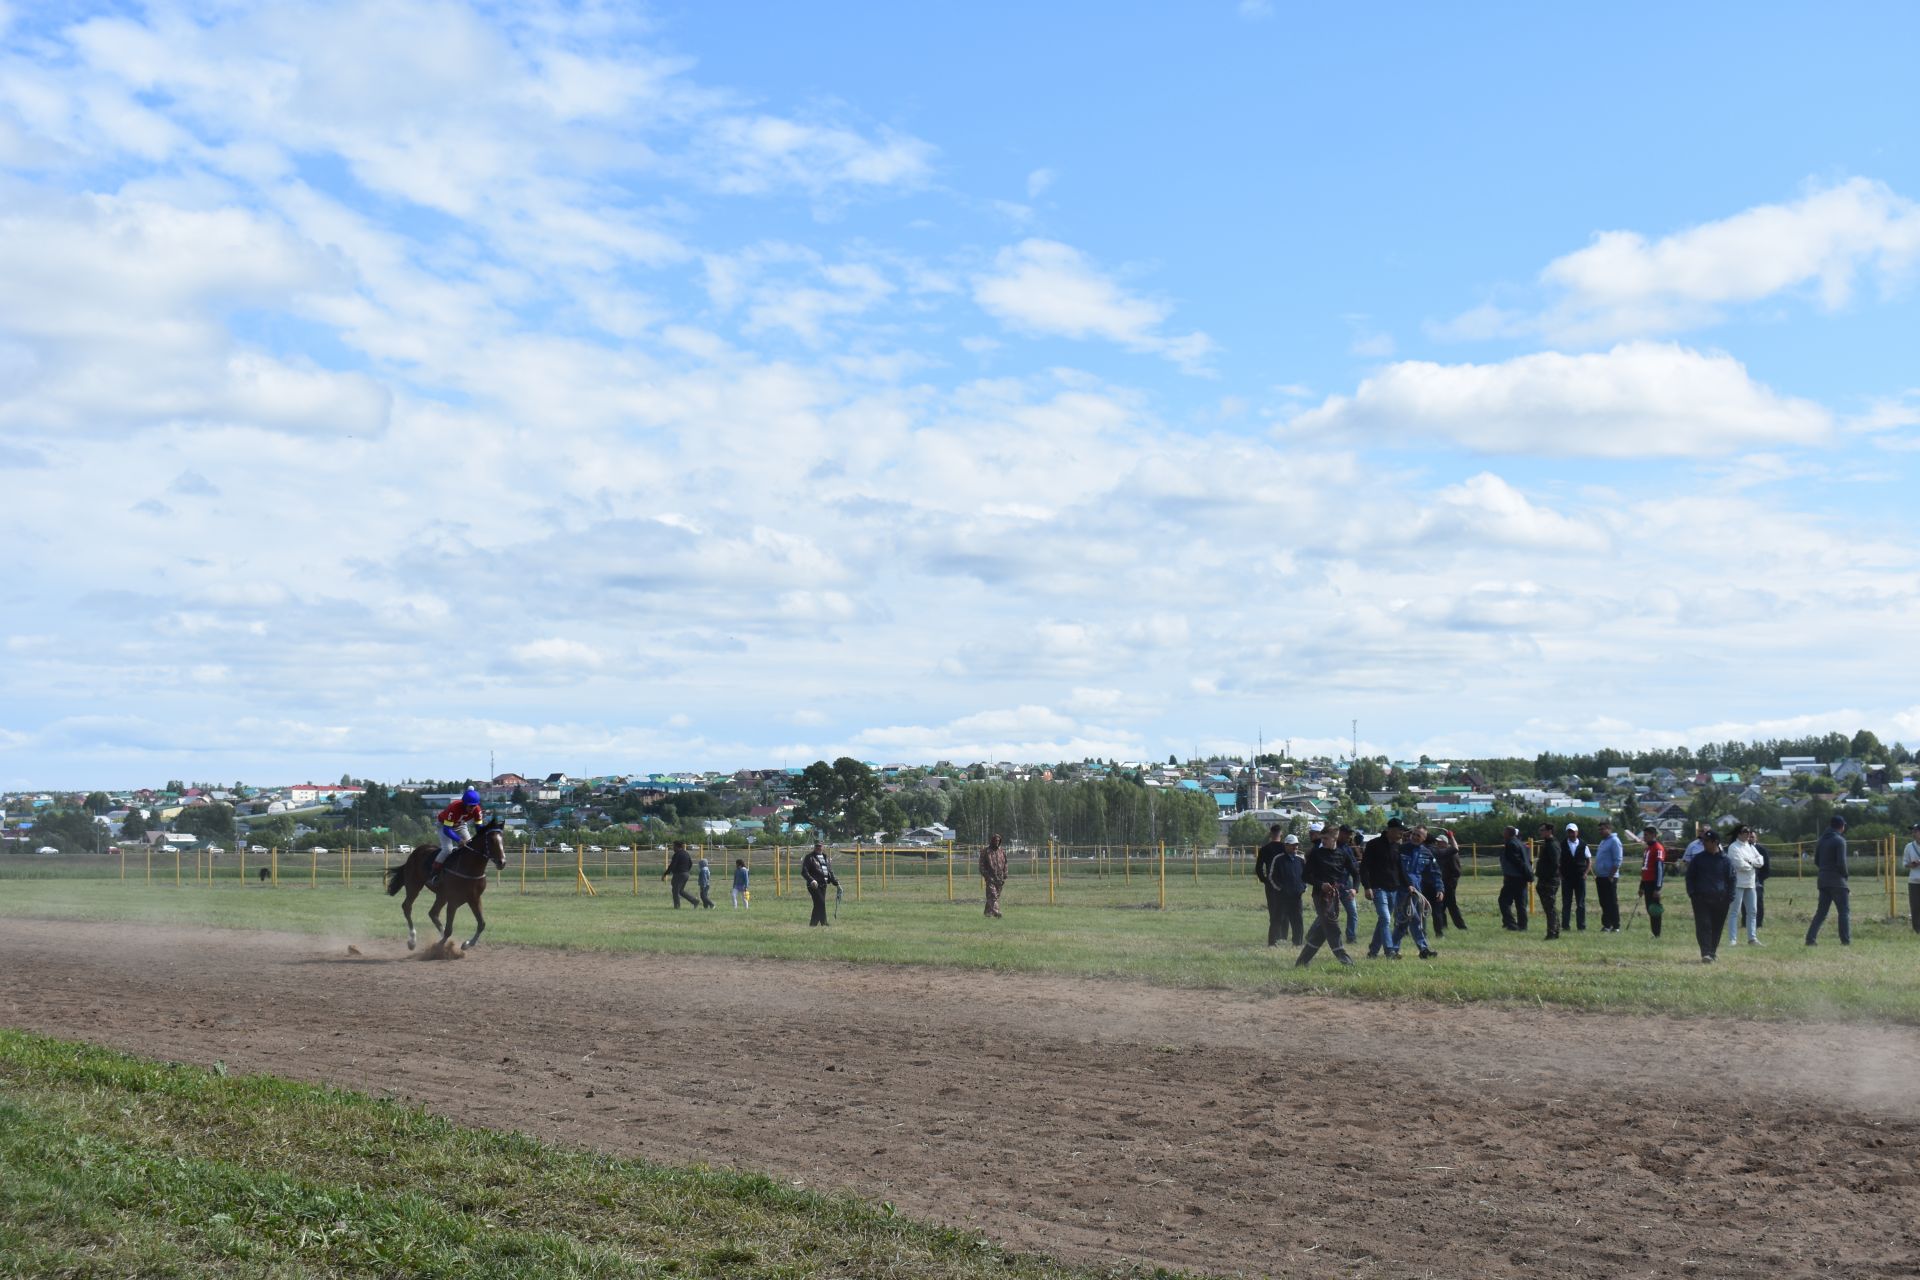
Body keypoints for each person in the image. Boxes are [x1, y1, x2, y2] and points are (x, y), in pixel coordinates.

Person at [1294, 825, 1357, 968]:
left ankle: (1301, 962)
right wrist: (1321, 884)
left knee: (1322, 931)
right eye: (1322, 839)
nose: (1323, 841)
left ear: (1335, 838)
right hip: (1320, 895)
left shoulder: (1343, 853)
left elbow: (1355, 873)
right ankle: (1346, 962)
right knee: (1332, 927)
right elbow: (1305, 876)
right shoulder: (1317, 854)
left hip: (1335, 896)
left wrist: (1354, 889)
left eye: (1326, 839)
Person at [1685, 827, 1735, 963]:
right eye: (1703, 840)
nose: (1704, 843)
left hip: (1721, 900)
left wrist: (1730, 897)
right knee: (1703, 925)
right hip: (1701, 899)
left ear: (1715, 842)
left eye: (1707, 841)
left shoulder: (1726, 860)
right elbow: (1689, 877)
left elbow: (1731, 879)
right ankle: (1705, 953)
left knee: (1716, 927)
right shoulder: (1698, 859)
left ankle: (1712, 952)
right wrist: (1692, 893)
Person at [1362, 818, 1409, 958]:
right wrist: (1367, 887)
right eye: (1400, 830)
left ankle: (1373, 952)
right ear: (1391, 830)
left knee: (1383, 920)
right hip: (1378, 888)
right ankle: (1390, 950)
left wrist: (1409, 885)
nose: (1402, 833)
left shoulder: (1397, 847)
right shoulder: (1373, 845)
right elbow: (1364, 867)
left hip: (1393, 889)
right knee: (1385, 918)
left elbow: (1400, 869)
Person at [1392, 826, 1440, 959]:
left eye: (1418, 835)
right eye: (1414, 834)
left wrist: (1440, 888)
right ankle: (1423, 949)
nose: (1415, 837)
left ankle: (1392, 950)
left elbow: (1435, 873)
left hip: (1416, 892)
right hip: (1402, 890)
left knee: (1404, 921)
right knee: (1413, 918)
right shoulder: (1401, 850)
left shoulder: (1427, 853)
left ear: (1424, 838)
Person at [1805, 815, 1851, 947]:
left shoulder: (1821, 840)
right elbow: (1841, 863)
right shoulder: (1839, 841)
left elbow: (1816, 861)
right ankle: (1845, 941)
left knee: (1821, 912)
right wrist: (1845, 875)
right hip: (1837, 881)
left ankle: (1810, 939)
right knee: (1843, 912)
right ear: (1841, 827)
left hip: (1823, 879)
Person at [429, 786, 485, 884]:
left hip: (460, 824)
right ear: (464, 804)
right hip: (444, 825)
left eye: (475, 806)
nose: (472, 808)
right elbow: (447, 830)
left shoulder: (477, 810)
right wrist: (459, 840)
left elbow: (479, 827)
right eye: (470, 806)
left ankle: (465, 873)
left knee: (470, 847)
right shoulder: (454, 808)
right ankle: (434, 873)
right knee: (448, 849)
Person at [1725, 826, 1764, 946]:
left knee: (1752, 911)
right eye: (1745, 832)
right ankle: (1733, 939)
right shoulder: (1733, 847)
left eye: (1749, 832)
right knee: (1734, 912)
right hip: (1737, 883)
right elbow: (1739, 864)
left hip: (1751, 883)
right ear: (1738, 834)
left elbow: (1761, 861)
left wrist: (1750, 862)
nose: (1748, 834)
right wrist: (1752, 864)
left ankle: (1752, 938)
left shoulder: (1750, 846)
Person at [1254, 825, 1291, 947]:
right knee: (1285, 911)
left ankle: (1274, 938)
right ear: (1281, 834)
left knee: (1273, 910)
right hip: (1284, 883)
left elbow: (1259, 868)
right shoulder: (1284, 848)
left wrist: (1264, 880)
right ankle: (1283, 937)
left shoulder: (1264, 849)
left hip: (1270, 883)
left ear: (1271, 834)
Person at [1430, 828, 1467, 935]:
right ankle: (1443, 926)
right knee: (1441, 907)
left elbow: (1456, 871)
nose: (1437, 843)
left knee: (1452, 906)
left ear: (1445, 843)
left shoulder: (1451, 854)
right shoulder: (1441, 853)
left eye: (1439, 842)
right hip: (1443, 884)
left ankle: (1461, 926)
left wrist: (1451, 884)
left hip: (1449, 884)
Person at [1497, 825, 1533, 930]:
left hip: (1514, 877)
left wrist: (1520, 872)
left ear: (1508, 833)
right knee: (1520, 903)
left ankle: (1511, 924)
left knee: (1503, 901)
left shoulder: (1511, 844)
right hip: (1522, 878)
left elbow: (1516, 861)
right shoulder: (1521, 844)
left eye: (1504, 832)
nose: (1503, 834)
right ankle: (1523, 926)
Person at [1635, 825, 1669, 938]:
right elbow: (1644, 869)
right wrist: (1641, 886)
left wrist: (1658, 888)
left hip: (1653, 883)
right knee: (1649, 908)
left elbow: (1659, 868)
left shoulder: (1658, 848)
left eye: (1647, 835)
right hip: (1646, 882)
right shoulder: (1647, 849)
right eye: (1644, 835)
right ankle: (1654, 932)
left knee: (1654, 909)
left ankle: (1657, 933)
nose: (1644, 837)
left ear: (1654, 835)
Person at [1591, 820, 1624, 932]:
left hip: (1609, 877)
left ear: (1609, 829)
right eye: (1599, 829)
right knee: (1603, 901)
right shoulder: (1603, 842)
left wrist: (1611, 875)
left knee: (1612, 901)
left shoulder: (1614, 841)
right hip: (1600, 876)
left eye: (1602, 829)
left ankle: (1616, 925)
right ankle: (1606, 925)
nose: (1600, 831)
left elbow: (1618, 860)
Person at [1532, 823, 1562, 940]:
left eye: (1542, 830)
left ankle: (1552, 932)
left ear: (1549, 831)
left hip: (1549, 880)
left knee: (1550, 908)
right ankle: (1554, 930)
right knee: (1549, 907)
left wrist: (1546, 875)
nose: (1541, 832)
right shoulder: (1549, 844)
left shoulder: (1552, 845)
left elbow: (1556, 863)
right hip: (1545, 880)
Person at [1559, 822, 1589, 932]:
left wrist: (1586, 873)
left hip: (1580, 877)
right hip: (1566, 878)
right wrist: (1560, 874)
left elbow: (1589, 860)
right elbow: (1558, 861)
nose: (1571, 834)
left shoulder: (1583, 844)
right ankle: (1565, 926)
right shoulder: (1562, 845)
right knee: (1566, 903)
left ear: (1577, 832)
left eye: (1573, 832)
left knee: (1580, 903)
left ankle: (1581, 926)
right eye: (1569, 832)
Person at [1335, 825, 1362, 943]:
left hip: (1347, 884)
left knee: (1353, 913)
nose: (1349, 836)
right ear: (1340, 833)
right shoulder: (1332, 846)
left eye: (1350, 834)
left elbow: (1353, 866)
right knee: (1328, 914)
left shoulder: (1348, 848)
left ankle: (1351, 938)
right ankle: (1314, 935)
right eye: (1347, 833)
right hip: (1334, 885)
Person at [802, 840, 839, 927]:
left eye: (820, 846)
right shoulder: (809, 857)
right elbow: (804, 872)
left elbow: (829, 871)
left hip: (824, 885)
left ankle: (813, 924)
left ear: (823, 847)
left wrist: (835, 881)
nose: (818, 848)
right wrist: (811, 880)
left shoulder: (825, 857)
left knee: (818, 904)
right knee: (821, 903)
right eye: (817, 846)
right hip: (814, 885)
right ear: (814, 847)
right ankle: (824, 923)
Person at [661, 840, 701, 909]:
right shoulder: (686, 853)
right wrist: (686, 871)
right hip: (686, 874)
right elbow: (690, 863)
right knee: (680, 891)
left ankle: (677, 907)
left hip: (679, 875)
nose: (673, 848)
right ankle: (694, 901)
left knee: (675, 891)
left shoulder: (677, 854)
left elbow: (672, 865)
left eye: (674, 846)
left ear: (677, 847)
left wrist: (665, 874)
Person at [980, 833, 1009, 918]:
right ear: (992, 841)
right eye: (995, 840)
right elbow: (981, 865)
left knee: (994, 896)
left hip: (1000, 877)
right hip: (990, 877)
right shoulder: (986, 851)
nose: (997, 842)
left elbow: (1006, 863)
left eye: (998, 841)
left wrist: (1005, 874)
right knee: (993, 895)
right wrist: (986, 875)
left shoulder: (1002, 851)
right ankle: (996, 912)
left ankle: (987, 913)